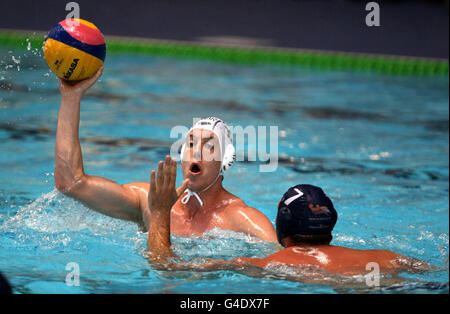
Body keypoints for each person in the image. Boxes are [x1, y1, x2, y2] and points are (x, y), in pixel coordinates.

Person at [54, 67, 277, 241]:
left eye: (209, 146)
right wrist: (71, 97)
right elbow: (71, 183)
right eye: (190, 143)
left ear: (225, 160)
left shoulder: (241, 219)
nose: (196, 150)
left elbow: (284, 264)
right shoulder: (148, 201)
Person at [146, 160, 431, 282]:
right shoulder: (387, 257)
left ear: (283, 229)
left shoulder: (267, 264)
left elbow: (168, 268)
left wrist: (160, 213)